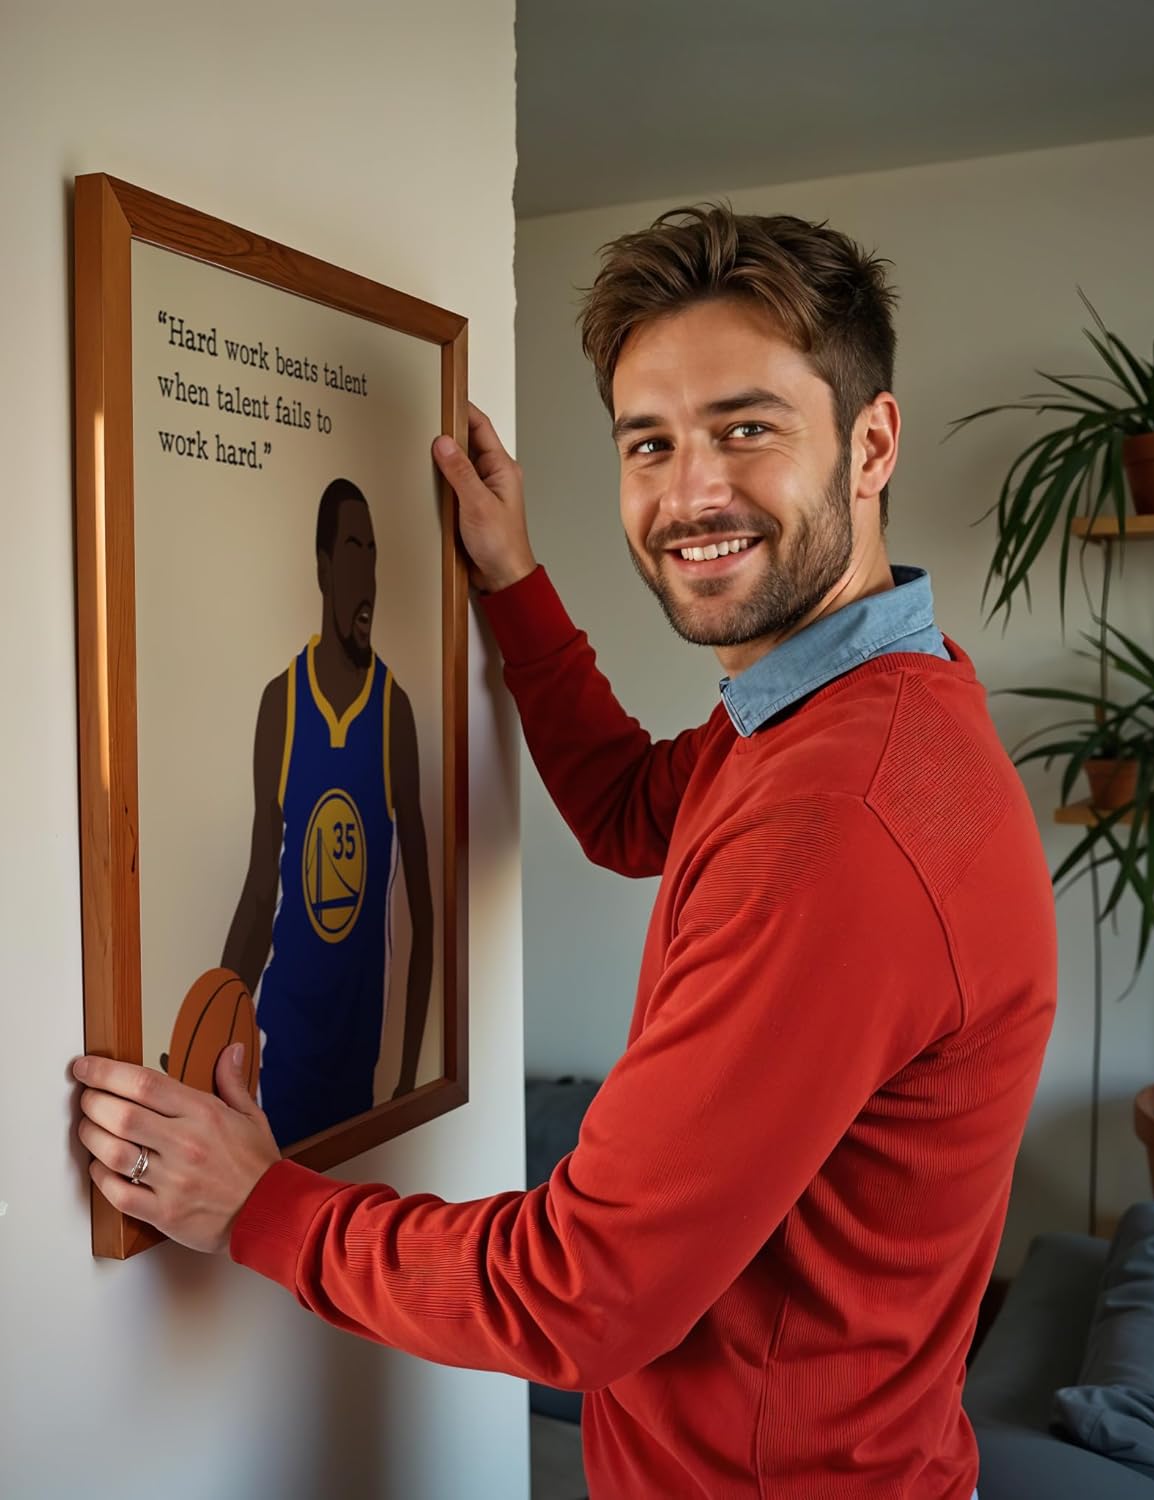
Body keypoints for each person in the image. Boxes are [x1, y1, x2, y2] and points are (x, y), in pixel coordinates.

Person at [75, 206, 1056, 1498]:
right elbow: (634, 809)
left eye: (747, 429)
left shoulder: (838, 817)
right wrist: (512, 582)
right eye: (651, 443)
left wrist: (257, 1206)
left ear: (870, 444)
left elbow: (579, 1295)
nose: (690, 494)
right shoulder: (855, 707)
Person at [219, 476, 434, 1144]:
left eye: (374, 555)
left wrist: (409, 1080)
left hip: (357, 1077)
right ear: (323, 568)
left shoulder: (393, 713)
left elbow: (424, 916)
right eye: (352, 551)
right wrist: (212, 1034)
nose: (367, 575)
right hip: (281, 1061)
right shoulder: (281, 706)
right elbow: (260, 896)